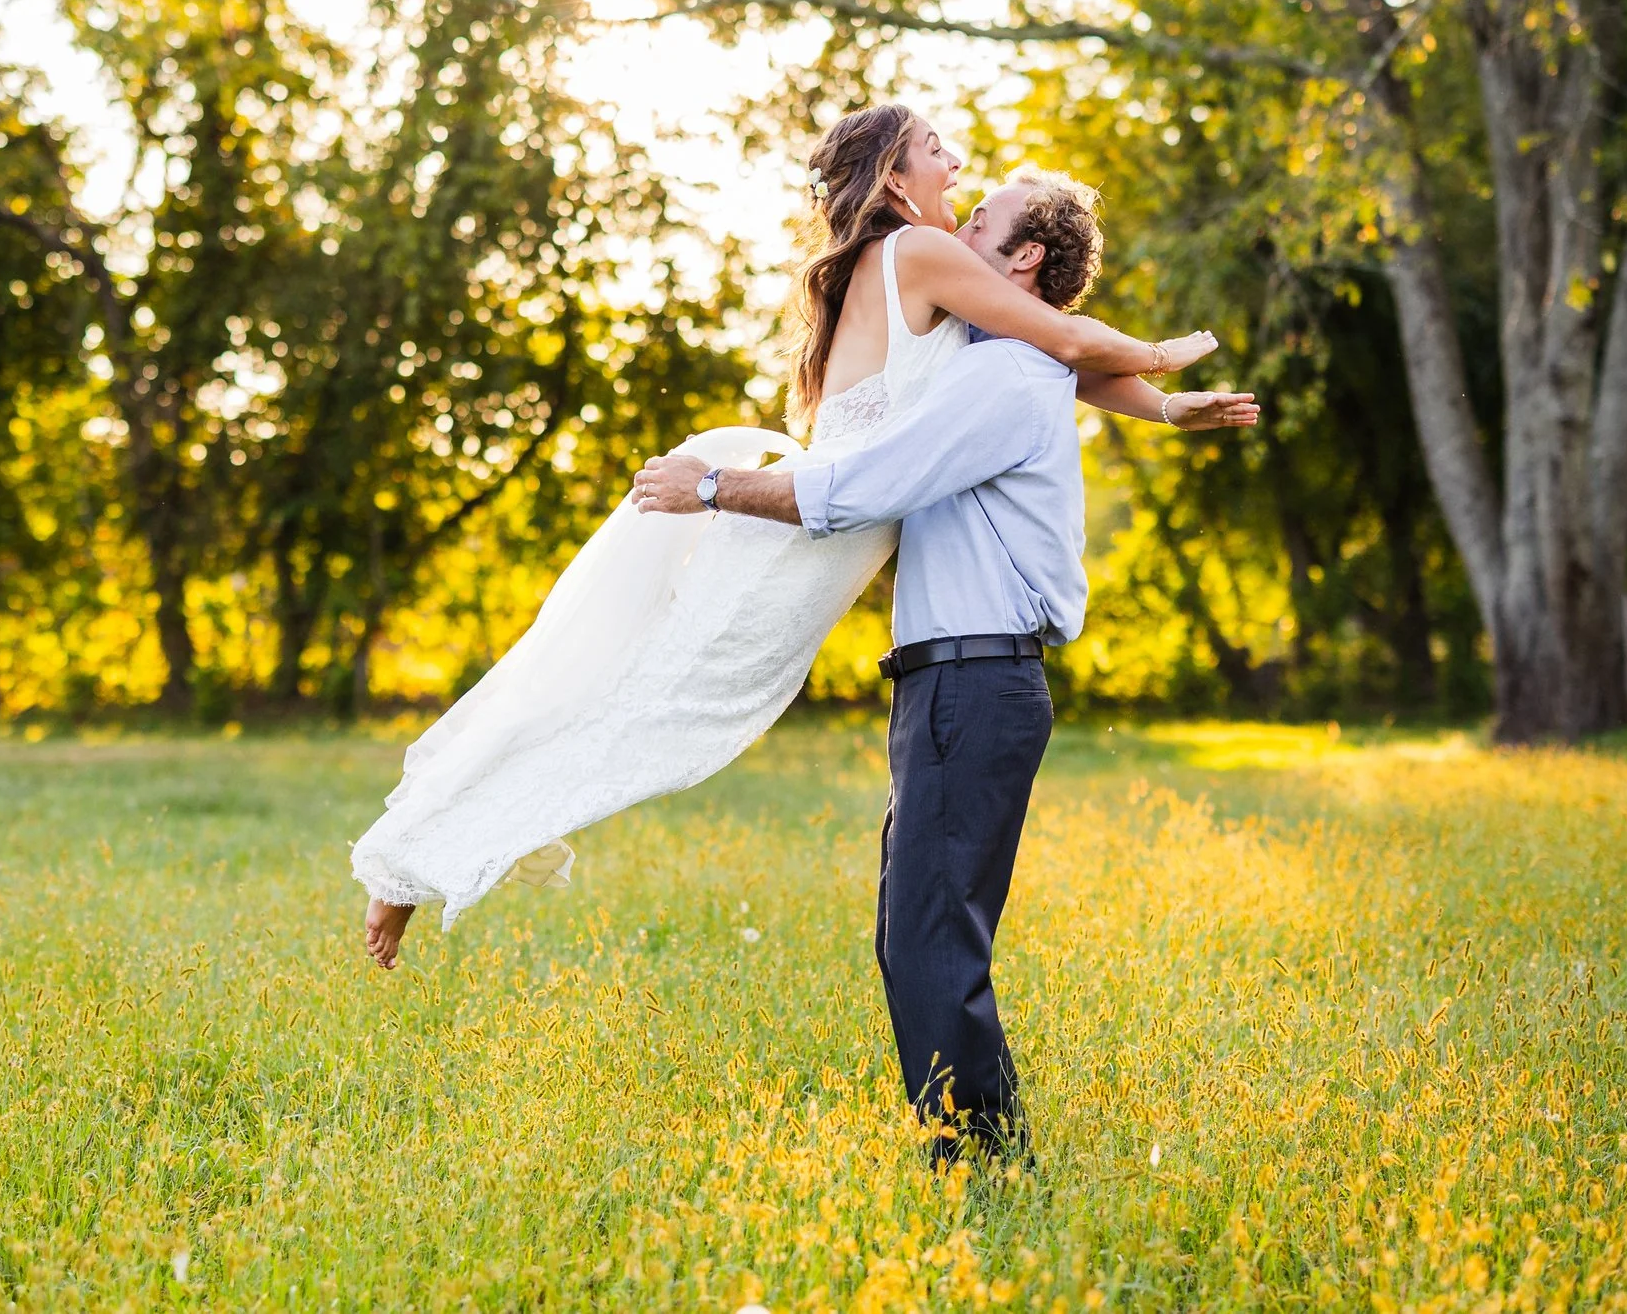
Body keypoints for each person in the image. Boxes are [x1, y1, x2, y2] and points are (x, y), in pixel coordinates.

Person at [353, 105, 1255, 969]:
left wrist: (1164, 407)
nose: (956, 164)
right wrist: (1165, 357)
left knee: (638, 701)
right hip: (801, 536)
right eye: (936, 149)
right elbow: (1063, 335)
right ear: (897, 181)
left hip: (820, 536)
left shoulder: (929, 271)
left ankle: (427, 847)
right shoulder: (924, 251)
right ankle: (415, 855)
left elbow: (1053, 355)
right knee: (637, 706)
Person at [630, 163, 1182, 1164]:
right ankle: (979, 1154)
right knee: (915, 935)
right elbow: (1066, 357)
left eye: (982, 219)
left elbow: (858, 486)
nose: (955, 222)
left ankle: (985, 1168)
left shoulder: (1003, 377)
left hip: (973, 682)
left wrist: (709, 483)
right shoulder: (986, 355)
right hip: (947, 683)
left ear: (1025, 258)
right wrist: (1165, 402)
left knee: (930, 941)